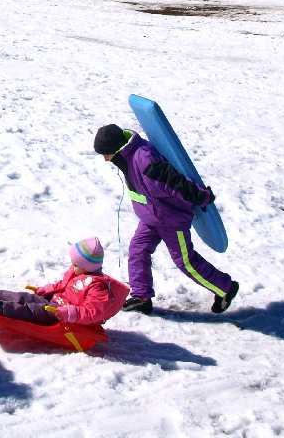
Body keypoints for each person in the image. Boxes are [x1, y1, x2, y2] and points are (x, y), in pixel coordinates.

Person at [93, 124, 238, 315]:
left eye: (106, 154)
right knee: (137, 250)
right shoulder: (128, 157)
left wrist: (200, 197)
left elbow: (174, 182)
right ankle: (141, 297)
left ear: (117, 149)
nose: (105, 159)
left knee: (185, 261)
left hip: (171, 219)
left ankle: (225, 288)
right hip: (151, 216)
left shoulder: (144, 159)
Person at [0, 237, 128, 326]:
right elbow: (62, 285)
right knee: (25, 297)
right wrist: (46, 290)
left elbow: (94, 311)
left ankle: (1, 308)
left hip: (62, 314)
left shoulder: (97, 287)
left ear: (89, 266)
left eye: (76, 264)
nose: (72, 266)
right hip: (54, 300)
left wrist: (70, 312)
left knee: (33, 309)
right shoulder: (77, 271)